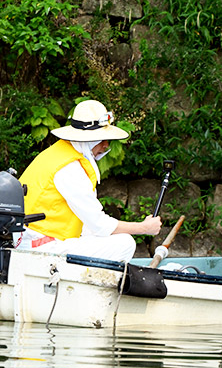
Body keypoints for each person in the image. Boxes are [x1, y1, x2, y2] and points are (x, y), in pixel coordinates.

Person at [15, 100, 162, 262]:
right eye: (102, 139)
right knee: (125, 242)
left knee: (101, 235)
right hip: (40, 246)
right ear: (88, 139)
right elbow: (99, 224)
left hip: (34, 238)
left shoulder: (58, 153)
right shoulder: (70, 168)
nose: (106, 145)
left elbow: (91, 224)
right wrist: (143, 228)